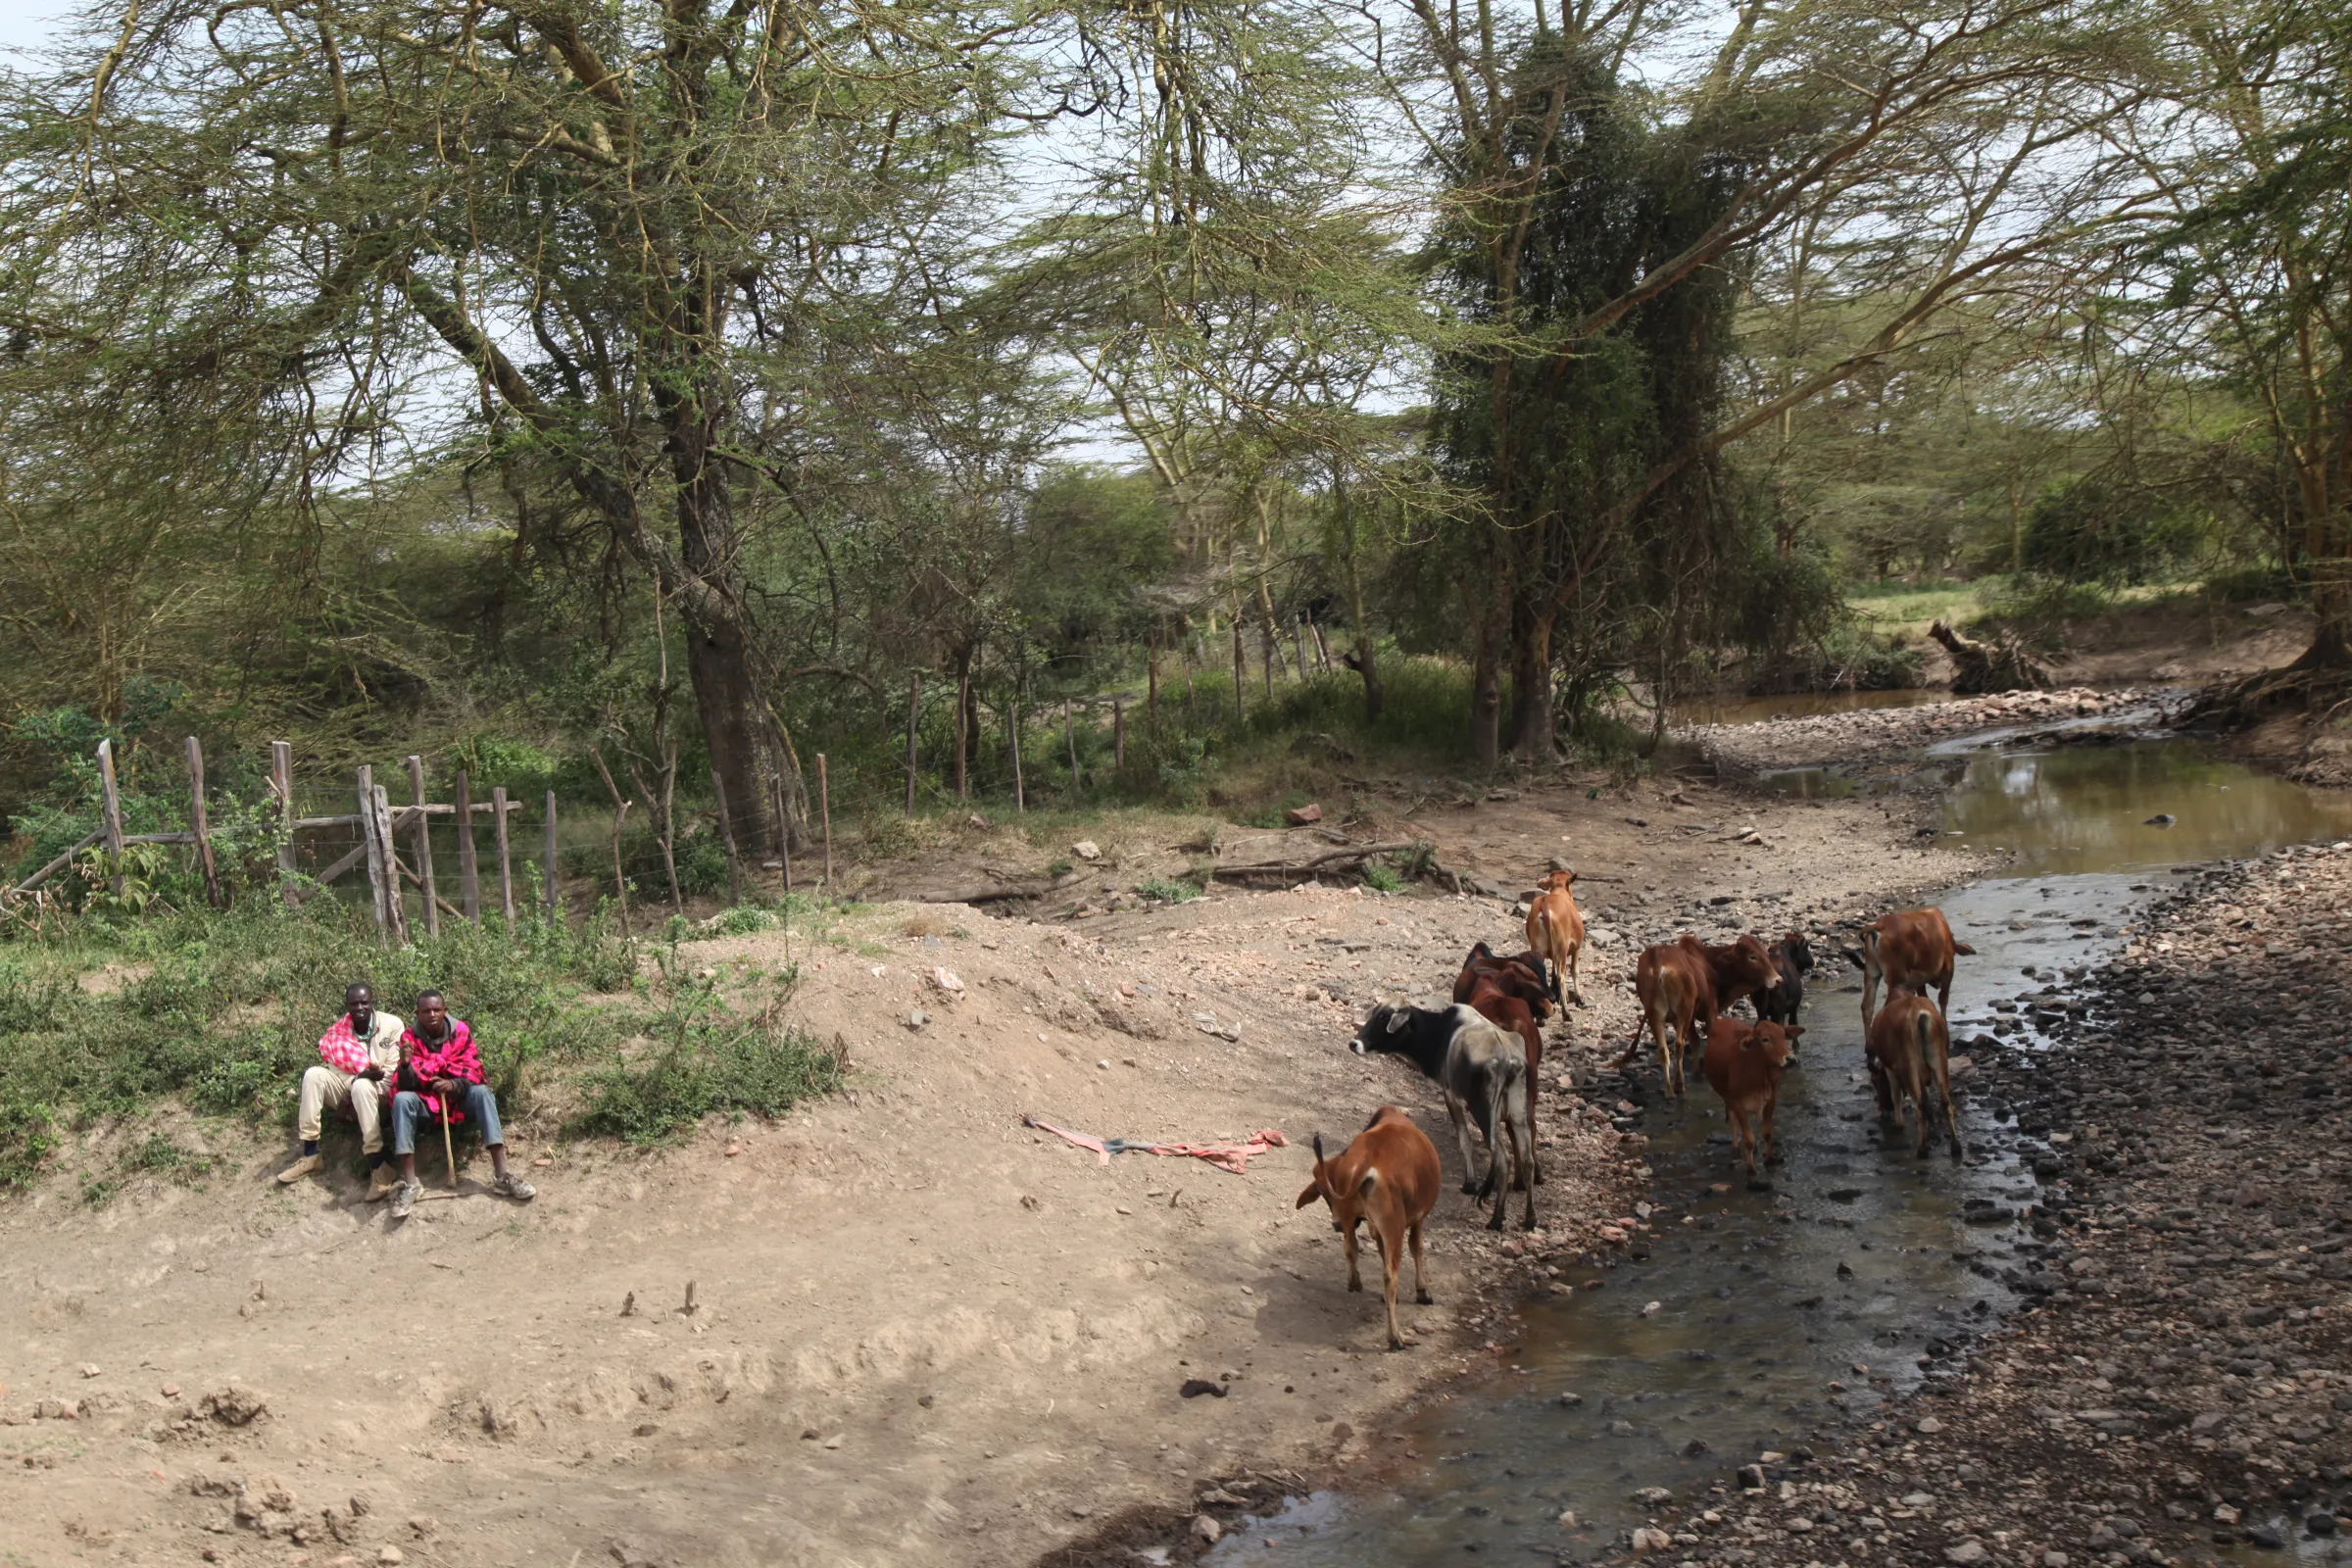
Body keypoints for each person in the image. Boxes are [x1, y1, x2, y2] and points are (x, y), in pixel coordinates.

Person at [386, 989, 536, 1218]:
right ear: (418, 1013)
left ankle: (502, 1176)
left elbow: (474, 1069)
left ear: (445, 1011)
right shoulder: (409, 1038)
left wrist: (454, 1085)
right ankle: (410, 1184)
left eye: (437, 1009)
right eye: (426, 1011)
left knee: (483, 1093)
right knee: (401, 1099)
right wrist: (405, 1067)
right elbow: (407, 1085)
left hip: (457, 1099)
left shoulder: (460, 1031)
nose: (432, 1014)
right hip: (426, 1101)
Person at [280, 982, 404, 1200]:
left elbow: (392, 1074)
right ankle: (311, 1154)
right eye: (354, 1004)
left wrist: (362, 1081)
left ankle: (379, 1165)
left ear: (372, 1003)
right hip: (353, 1092)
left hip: (383, 1098)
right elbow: (339, 1075)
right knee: (313, 1075)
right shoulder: (338, 1033)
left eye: (364, 1003)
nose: (359, 1008)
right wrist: (359, 1079)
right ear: (347, 1006)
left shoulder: (392, 1025)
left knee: (363, 1086)